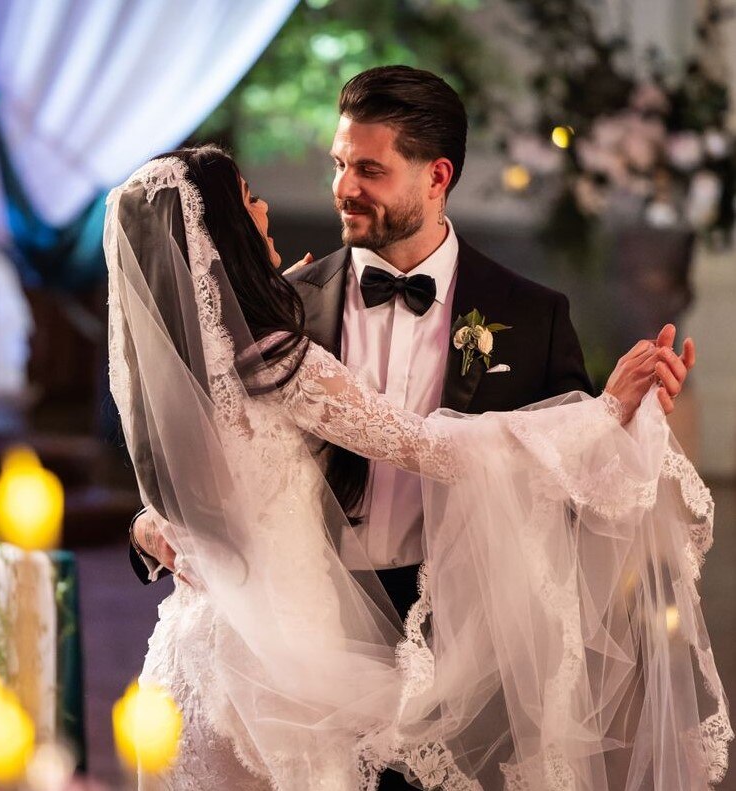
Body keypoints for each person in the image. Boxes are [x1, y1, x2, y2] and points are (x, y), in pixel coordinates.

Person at [106, 145, 724, 789]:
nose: (263, 208)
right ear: (216, 236)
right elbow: (435, 447)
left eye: (367, 166)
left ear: (438, 176)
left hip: (194, 656)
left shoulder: (178, 363)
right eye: (246, 200)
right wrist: (602, 412)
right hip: (288, 665)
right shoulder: (279, 352)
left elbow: (206, 477)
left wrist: (158, 524)